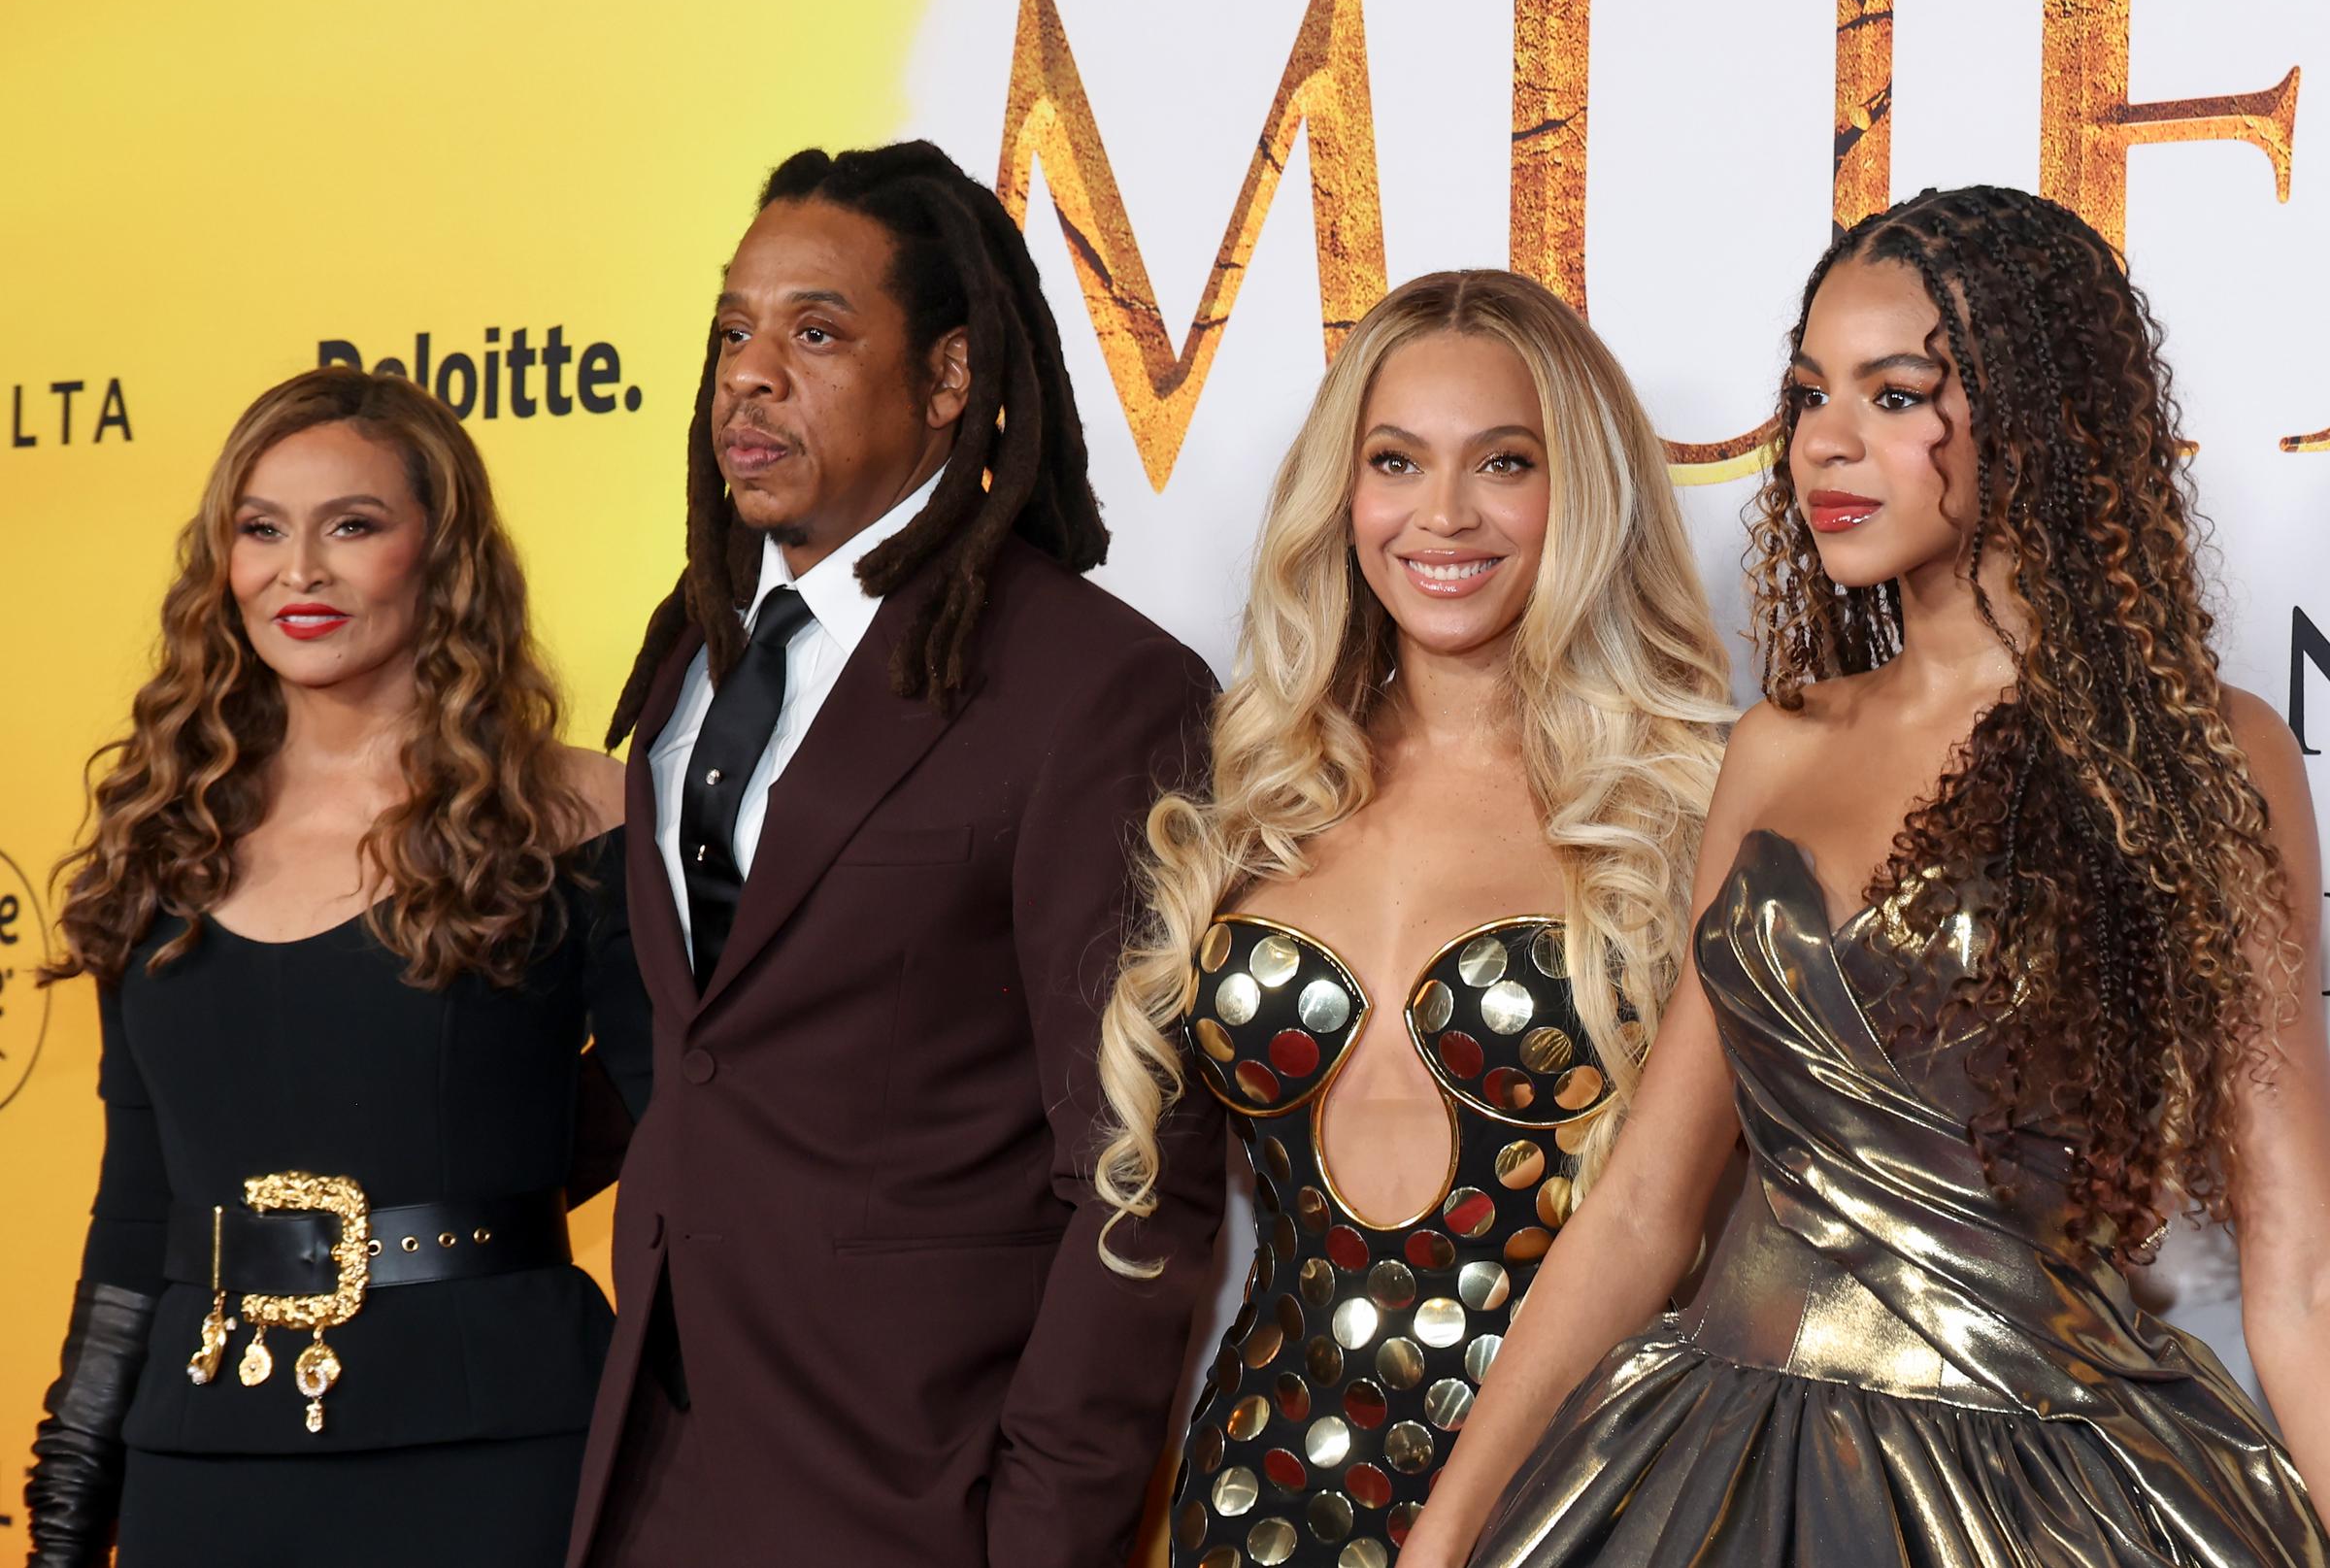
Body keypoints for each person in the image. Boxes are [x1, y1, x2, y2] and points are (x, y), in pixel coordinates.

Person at [1398, 183, 2330, 1568]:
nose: (1824, 443)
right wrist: (1442, 1542)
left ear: (2041, 415)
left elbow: (2298, 1263)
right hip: (1709, 1477)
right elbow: (1649, 1206)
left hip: (2048, 1498)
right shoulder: (1775, 746)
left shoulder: (2204, 751)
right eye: (1808, 391)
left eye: (1894, 395)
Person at [568, 140, 1223, 1568]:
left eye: (815, 331)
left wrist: (1044, 1540)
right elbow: (700, 1049)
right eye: (732, 329)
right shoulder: (698, 646)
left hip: (917, 1499)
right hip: (658, 1477)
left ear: (946, 378)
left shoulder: (1093, 690)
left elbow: (1134, 1176)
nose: (749, 372)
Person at [1092, 269, 1731, 1568]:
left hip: (1589, 1508)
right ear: (1344, 493)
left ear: (1584, 491)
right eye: (1396, 460)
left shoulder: (1686, 809)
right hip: (1261, 1494)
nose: (1442, 514)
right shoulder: (1258, 798)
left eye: (1504, 461)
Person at [22, 366, 650, 1568]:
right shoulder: (166, 833)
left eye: (350, 525)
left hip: (500, 1452)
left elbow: (693, 1141)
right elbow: (137, 1209)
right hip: (203, 1461)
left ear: (443, 553)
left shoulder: (576, 815)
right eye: (260, 529)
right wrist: (68, 1506)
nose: (296, 571)